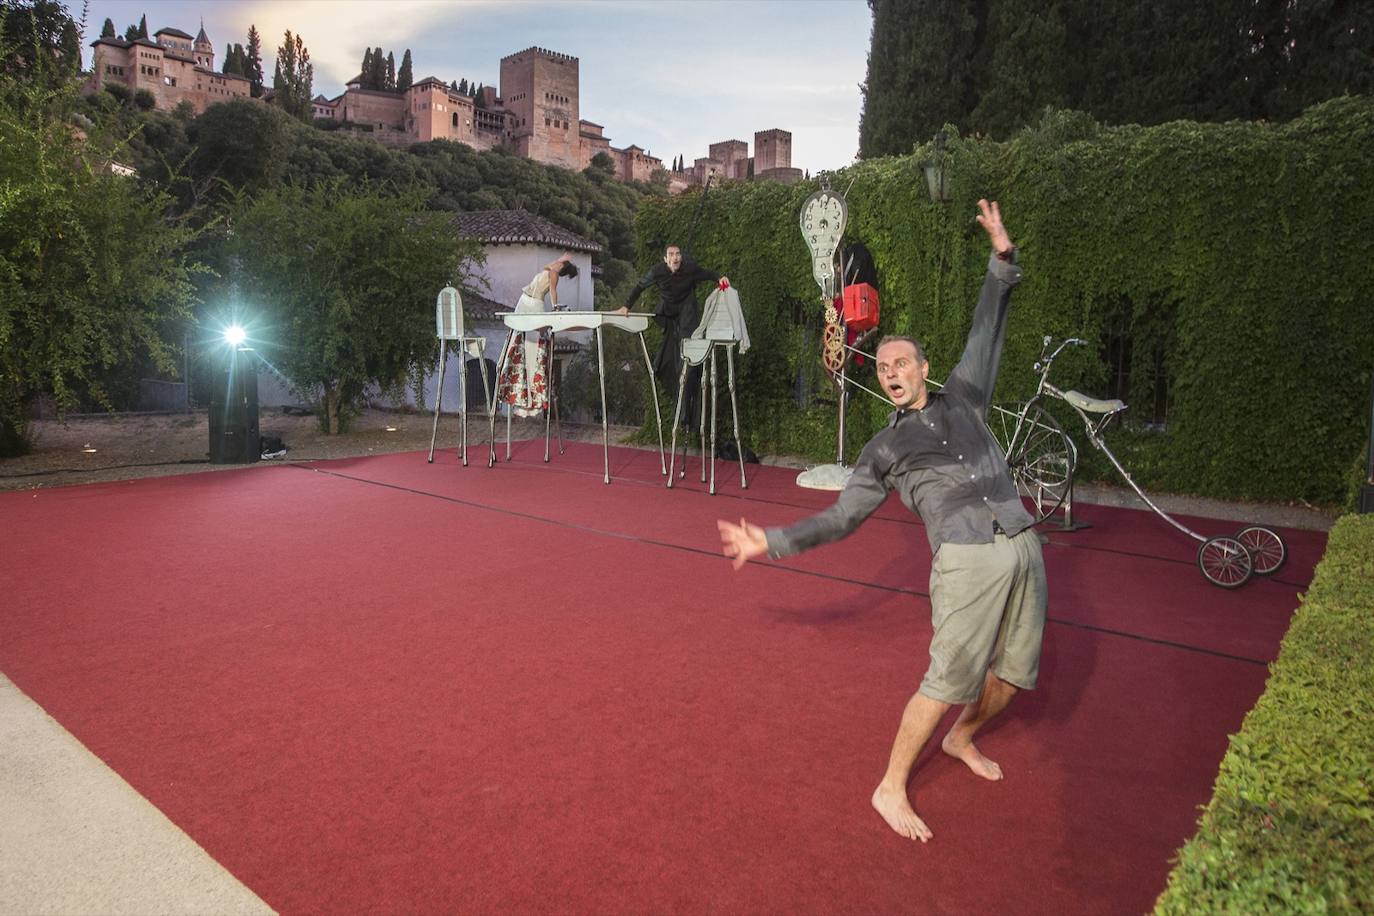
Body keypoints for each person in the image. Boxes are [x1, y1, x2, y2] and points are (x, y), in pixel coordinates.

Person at [716, 199, 1046, 844]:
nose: (892, 373)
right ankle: (890, 784)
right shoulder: (884, 449)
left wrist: (1002, 256)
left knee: (1011, 678)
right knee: (946, 679)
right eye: (885, 368)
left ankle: (962, 738)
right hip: (966, 560)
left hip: (1022, 541)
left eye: (903, 364)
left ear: (924, 368)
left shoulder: (967, 396)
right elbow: (842, 518)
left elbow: (987, 328)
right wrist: (772, 541)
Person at [612, 244, 729, 419]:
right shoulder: (657, 271)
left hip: (686, 312)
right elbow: (640, 286)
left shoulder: (690, 269)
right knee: (669, 349)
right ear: (666, 259)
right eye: (671, 255)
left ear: (681, 258)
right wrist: (626, 306)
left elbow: (707, 274)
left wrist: (720, 278)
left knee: (685, 346)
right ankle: (675, 378)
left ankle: (687, 383)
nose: (675, 257)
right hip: (668, 313)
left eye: (677, 254)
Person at [496, 254, 578, 417]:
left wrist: (555, 307)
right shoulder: (550, 269)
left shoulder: (553, 274)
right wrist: (562, 258)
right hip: (525, 300)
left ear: (561, 266)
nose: (557, 262)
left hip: (535, 304)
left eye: (560, 262)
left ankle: (532, 399)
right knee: (516, 336)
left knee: (534, 344)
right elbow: (552, 264)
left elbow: (553, 291)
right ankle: (507, 371)